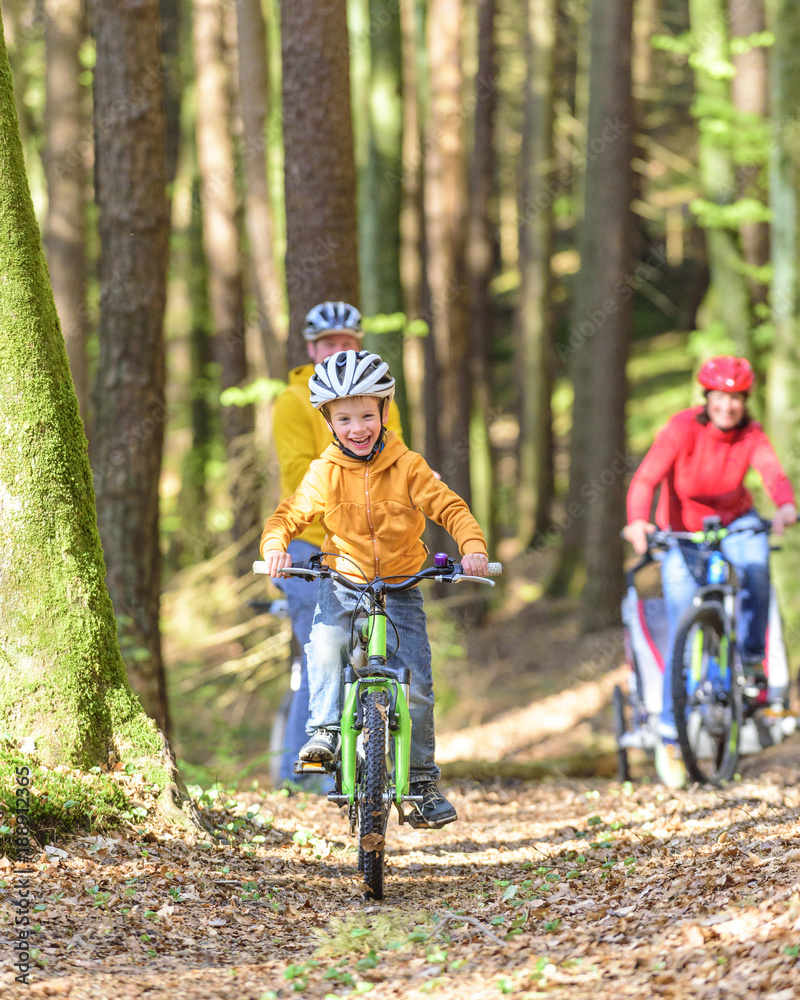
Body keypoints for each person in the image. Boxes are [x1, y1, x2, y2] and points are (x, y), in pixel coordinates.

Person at [259, 349, 489, 827]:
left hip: (401, 584)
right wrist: (277, 544)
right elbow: (290, 513)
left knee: (419, 685)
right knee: (324, 644)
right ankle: (323, 735)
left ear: (385, 412)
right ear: (329, 421)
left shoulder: (408, 466)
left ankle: (423, 782)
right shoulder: (325, 471)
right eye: (345, 418)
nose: (357, 427)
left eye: (367, 414)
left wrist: (472, 545)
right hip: (343, 580)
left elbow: (450, 508)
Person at [623, 355, 797, 787]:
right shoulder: (682, 428)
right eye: (722, 397)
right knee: (683, 633)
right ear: (708, 398)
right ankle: (669, 737)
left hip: (736, 524)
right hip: (682, 533)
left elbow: (772, 473)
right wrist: (639, 521)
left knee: (756, 566)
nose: (729, 406)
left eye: (737, 398)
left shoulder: (750, 434)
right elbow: (646, 479)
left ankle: (753, 663)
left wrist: (786, 505)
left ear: (744, 401)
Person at [271, 302, 404, 790]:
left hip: (372, 545)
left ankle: (381, 770)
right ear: (312, 349)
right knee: (322, 651)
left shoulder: (378, 396)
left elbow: (397, 459)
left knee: (384, 653)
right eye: (329, 343)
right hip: (312, 544)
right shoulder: (293, 400)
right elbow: (297, 471)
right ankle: (304, 777)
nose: (339, 348)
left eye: (347, 340)